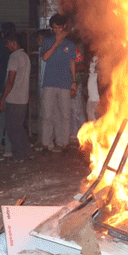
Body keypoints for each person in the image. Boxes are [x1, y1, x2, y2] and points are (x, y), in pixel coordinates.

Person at [40, 14, 77, 153]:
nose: (57, 30)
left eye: (59, 28)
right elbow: (45, 57)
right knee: (48, 114)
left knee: (65, 114)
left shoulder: (70, 44)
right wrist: (56, 42)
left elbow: (72, 62)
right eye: (54, 28)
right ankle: (46, 143)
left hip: (65, 82)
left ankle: (64, 143)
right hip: (49, 82)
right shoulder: (48, 41)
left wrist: (74, 81)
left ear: (64, 27)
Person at [0, 32, 32, 161]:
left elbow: (10, 80)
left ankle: (19, 156)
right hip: (22, 98)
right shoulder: (25, 56)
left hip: (14, 98)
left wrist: (2, 99)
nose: (6, 46)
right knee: (19, 128)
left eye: (7, 43)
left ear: (13, 43)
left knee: (13, 129)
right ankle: (27, 152)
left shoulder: (14, 57)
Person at [0, 23, 16, 154]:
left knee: (3, 114)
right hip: (7, 86)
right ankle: (7, 147)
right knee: (8, 115)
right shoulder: (10, 49)